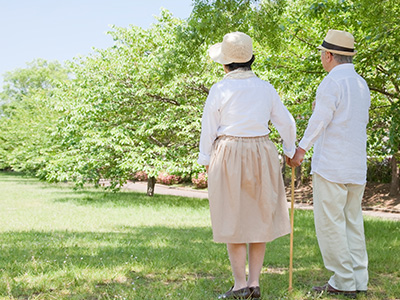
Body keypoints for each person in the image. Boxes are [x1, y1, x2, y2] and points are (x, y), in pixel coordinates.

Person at [198, 31, 296, 299]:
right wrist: (290, 150)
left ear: (225, 63)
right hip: (261, 150)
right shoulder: (266, 88)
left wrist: (205, 160)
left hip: (228, 150)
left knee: (233, 217)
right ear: (251, 59)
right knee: (259, 215)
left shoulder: (220, 89)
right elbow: (286, 122)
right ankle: (254, 283)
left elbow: (209, 129)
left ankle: (241, 284)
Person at [288, 29, 370, 298]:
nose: (322, 58)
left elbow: (320, 120)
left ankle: (343, 281)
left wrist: (300, 150)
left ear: (330, 55)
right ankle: (359, 278)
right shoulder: (361, 84)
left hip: (332, 165)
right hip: (356, 165)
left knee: (331, 224)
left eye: (323, 54)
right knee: (352, 222)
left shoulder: (332, 82)